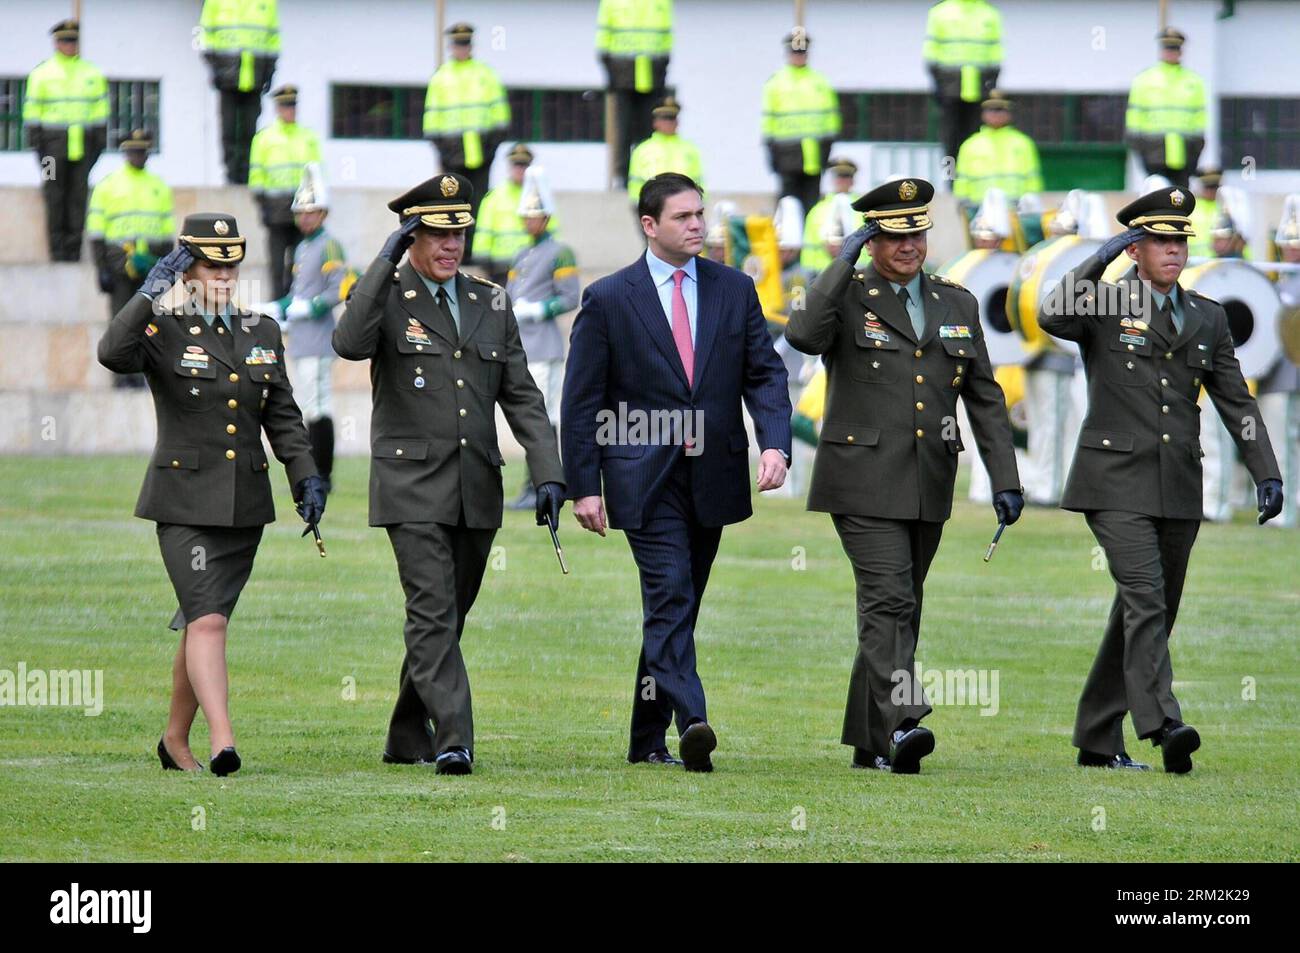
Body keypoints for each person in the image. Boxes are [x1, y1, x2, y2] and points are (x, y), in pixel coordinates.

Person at [1038, 186, 1283, 773]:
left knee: (1152, 607)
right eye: (1158, 241)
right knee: (1144, 598)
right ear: (1136, 248)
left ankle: (1098, 738)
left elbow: (1236, 402)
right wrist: (1101, 256)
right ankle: (1163, 722)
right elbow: (1052, 312)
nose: (1172, 251)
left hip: (1177, 483)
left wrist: (1266, 472)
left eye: (1179, 241)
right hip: (1112, 480)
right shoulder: (1102, 303)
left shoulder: (1207, 314)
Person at [785, 177, 1022, 774]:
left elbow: (985, 397)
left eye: (916, 231)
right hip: (859, 477)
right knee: (888, 598)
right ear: (871, 240)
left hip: (928, 479)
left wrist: (1004, 477)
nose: (909, 245)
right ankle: (901, 726)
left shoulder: (956, 301)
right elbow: (802, 336)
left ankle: (867, 741)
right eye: (893, 235)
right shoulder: (846, 294)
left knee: (901, 607)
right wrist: (841, 261)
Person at [332, 173, 564, 776]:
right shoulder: (385, 294)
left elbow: (522, 395)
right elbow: (349, 343)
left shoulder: (490, 299)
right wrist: (383, 262)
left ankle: (405, 733)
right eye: (436, 232)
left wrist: (549, 472)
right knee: (433, 611)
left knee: (449, 616)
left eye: (458, 231)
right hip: (409, 487)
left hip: (475, 485)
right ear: (411, 235)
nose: (450, 244)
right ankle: (454, 737)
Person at [562, 173, 792, 771]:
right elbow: (581, 401)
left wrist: (774, 444)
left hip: (712, 474)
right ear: (649, 225)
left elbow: (764, 373)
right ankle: (693, 719)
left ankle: (645, 739)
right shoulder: (609, 297)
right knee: (670, 593)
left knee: (677, 608)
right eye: (684, 217)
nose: (698, 226)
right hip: (643, 475)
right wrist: (584, 485)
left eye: (700, 214)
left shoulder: (734, 289)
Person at [96, 213, 324, 777]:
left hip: (243, 503)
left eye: (230, 264)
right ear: (187, 269)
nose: (222, 274)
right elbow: (111, 353)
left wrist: (305, 475)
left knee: (204, 619)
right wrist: (148, 294)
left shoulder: (262, 330)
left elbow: (284, 417)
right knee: (209, 621)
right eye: (208, 264)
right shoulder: (162, 327)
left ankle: (175, 740)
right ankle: (223, 741)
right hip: (182, 502)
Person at [259, 164, 354, 495]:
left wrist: (309, 306)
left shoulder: (329, 245)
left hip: (318, 337)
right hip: (300, 338)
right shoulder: (300, 248)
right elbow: (298, 291)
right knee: (309, 403)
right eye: (300, 212)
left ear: (323, 213)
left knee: (318, 405)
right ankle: (315, 470)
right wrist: (281, 306)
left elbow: (337, 289)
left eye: (310, 212)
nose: (304, 218)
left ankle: (322, 473)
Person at [505, 167, 579, 510]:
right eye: (525, 216)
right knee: (530, 417)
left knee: (545, 416)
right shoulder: (521, 254)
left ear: (546, 218)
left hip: (545, 343)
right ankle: (531, 484)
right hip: (523, 344)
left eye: (534, 216)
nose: (528, 222)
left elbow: (569, 297)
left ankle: (545, 484)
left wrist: (538, 309)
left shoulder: (560, 252)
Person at [87, 129, 175, 388]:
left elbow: (168, 231)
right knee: (122, 321)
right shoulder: (108, 185)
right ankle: (122, 375)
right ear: (125, 153)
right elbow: (96, 231)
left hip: (151, 262)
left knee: (150, 322)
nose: (138, 156)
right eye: (133, 152)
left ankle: (145, 373)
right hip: (118, 262)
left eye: (142, 152)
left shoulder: (159, 186)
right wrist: (101, 269)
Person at [423, 23, 511, 260]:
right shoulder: (441, 77)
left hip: (481, 150)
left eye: (465, 45)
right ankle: (455, 248)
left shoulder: (485, 74)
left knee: (478, 201)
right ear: (451, 47)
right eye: (457, 45)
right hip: (452, 152)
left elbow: (500, 116)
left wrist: (492, 146)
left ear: (470, 46)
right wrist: (443, 151)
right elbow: (432, 120)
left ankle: (473, 250)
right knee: (453, 203)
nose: (461, 49)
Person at [24, 18, 109, 261]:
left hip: (83, 146)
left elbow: (101, 115)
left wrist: (97, 146)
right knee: (54, 195)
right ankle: (57, 250)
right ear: (56, 43)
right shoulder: (42, 74)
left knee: (77, 198)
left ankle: (72, 251)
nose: (69, 45)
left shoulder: (91, 73)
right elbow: (32, 115)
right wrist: (38, 148)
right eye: (65, 41)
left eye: (73, 41)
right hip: (51, 148)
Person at [248, 85, 322, 299]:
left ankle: (296, 299)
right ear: (278, 109)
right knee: (277, 264)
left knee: (300, 261)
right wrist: (262, 205)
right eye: (286, 106)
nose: (290, 110)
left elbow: (317, 173)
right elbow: (256, 176)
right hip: (276, 208)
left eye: (293, 106)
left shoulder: (307, 137)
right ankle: (277, 302)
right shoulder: (264, 138)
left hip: (303, 208)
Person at [199, 0, 280, 185]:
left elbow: (274, 40)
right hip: (228, 77)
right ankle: (231, 176)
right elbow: (205, 37)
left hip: (255, 77)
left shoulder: (267, 3)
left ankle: (246, 176)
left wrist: (269, 72)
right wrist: (214, 70)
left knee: (249, 131)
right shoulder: (215, 2)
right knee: (228, 130)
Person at [761, 29, 840, 214]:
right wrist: (770, 149)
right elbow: (768, 121)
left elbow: (831, 119)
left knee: (812, 204)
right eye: (795, 53)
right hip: (786, 155)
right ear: (788, 54)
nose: (799, 57)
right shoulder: (776, 82)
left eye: (802, 53)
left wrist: (827, 149)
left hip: (813, 154)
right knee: (788, 205)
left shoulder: (819, 81)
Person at [596, 0, 673, 186]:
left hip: (651, 73)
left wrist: (662, 72)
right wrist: (610, 74)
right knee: (623, 130)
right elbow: (603, 40)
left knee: (648, 131)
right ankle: (621, 177)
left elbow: (666, 39)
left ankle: (647, 174)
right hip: (623, 73)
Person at [923, 0, 1003, 173]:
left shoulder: (989, 13)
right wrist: (937, 84)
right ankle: (950, 177)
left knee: (975, 137)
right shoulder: (940, 12)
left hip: (979, 85)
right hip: (950, 84)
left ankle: (971, 174)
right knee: (950, 136)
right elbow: (931, 52)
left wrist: (992, 83)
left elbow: (996, 52)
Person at [1125, 28, 1206, 190]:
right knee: (1156, 194)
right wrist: (1139, 147)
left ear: (1181, 52)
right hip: (1153, 151)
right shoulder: (1144, 79)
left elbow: (1200, 120)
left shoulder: (1194, 81)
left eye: (1175, 49)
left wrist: (1196, 149)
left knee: (1180, 198)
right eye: (1168, 49)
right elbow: (1134, 117)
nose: (1171, 53)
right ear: (1162, 51)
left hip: (1184, 152)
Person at [1260, 201, 1300, 528]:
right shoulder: (1272, 285)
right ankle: (1284, 510)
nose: (1292, 251)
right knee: (1281, 445)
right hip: (1280, 378)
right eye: (1288, 244)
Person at [952, 90, 1043, 216]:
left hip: (1015, 210)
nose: (995, 114)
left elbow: (1033, 178)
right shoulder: (970, 145)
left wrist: (1031, 202)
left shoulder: (1023, 143)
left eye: (1000, 110)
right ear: (983, 114)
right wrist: (963, 202)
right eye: (991, 110)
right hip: (979, 209)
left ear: (1009, 114)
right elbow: (961, 178)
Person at [475, 143, 536, 285]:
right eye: (516, 165)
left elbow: (551, 229)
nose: (520, 169)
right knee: (500, 305)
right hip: (500, 269)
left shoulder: (538, 196)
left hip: (531, 267)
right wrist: (482, 258)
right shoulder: (494, 197)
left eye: (524, 165)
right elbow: (483, 231)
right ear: (509, 167)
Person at [627, 97, 705, 208]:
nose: (669, 122)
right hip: (653, 206)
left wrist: (700, 203)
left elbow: (699, 180)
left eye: (672, 118)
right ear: (655, 122)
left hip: (684, 205)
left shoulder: (690, 149)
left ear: (677, 122)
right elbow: (635, 183)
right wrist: (638, 205)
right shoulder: (642, 150)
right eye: (664, 118)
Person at [801, 156, 860, 277]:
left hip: (856, 271)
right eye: (839, 176)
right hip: (819, 272)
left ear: (852, 180)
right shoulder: (818, 209)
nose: (842, 181)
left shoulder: (863, 208)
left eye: (846, 176)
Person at [1187, 167, 1221, 259]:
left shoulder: (1224, 207)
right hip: (1193, 263)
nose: (1211, 191)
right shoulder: (1190, 208)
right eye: (1208, 187)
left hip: (1218, 262)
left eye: (1214, 187)